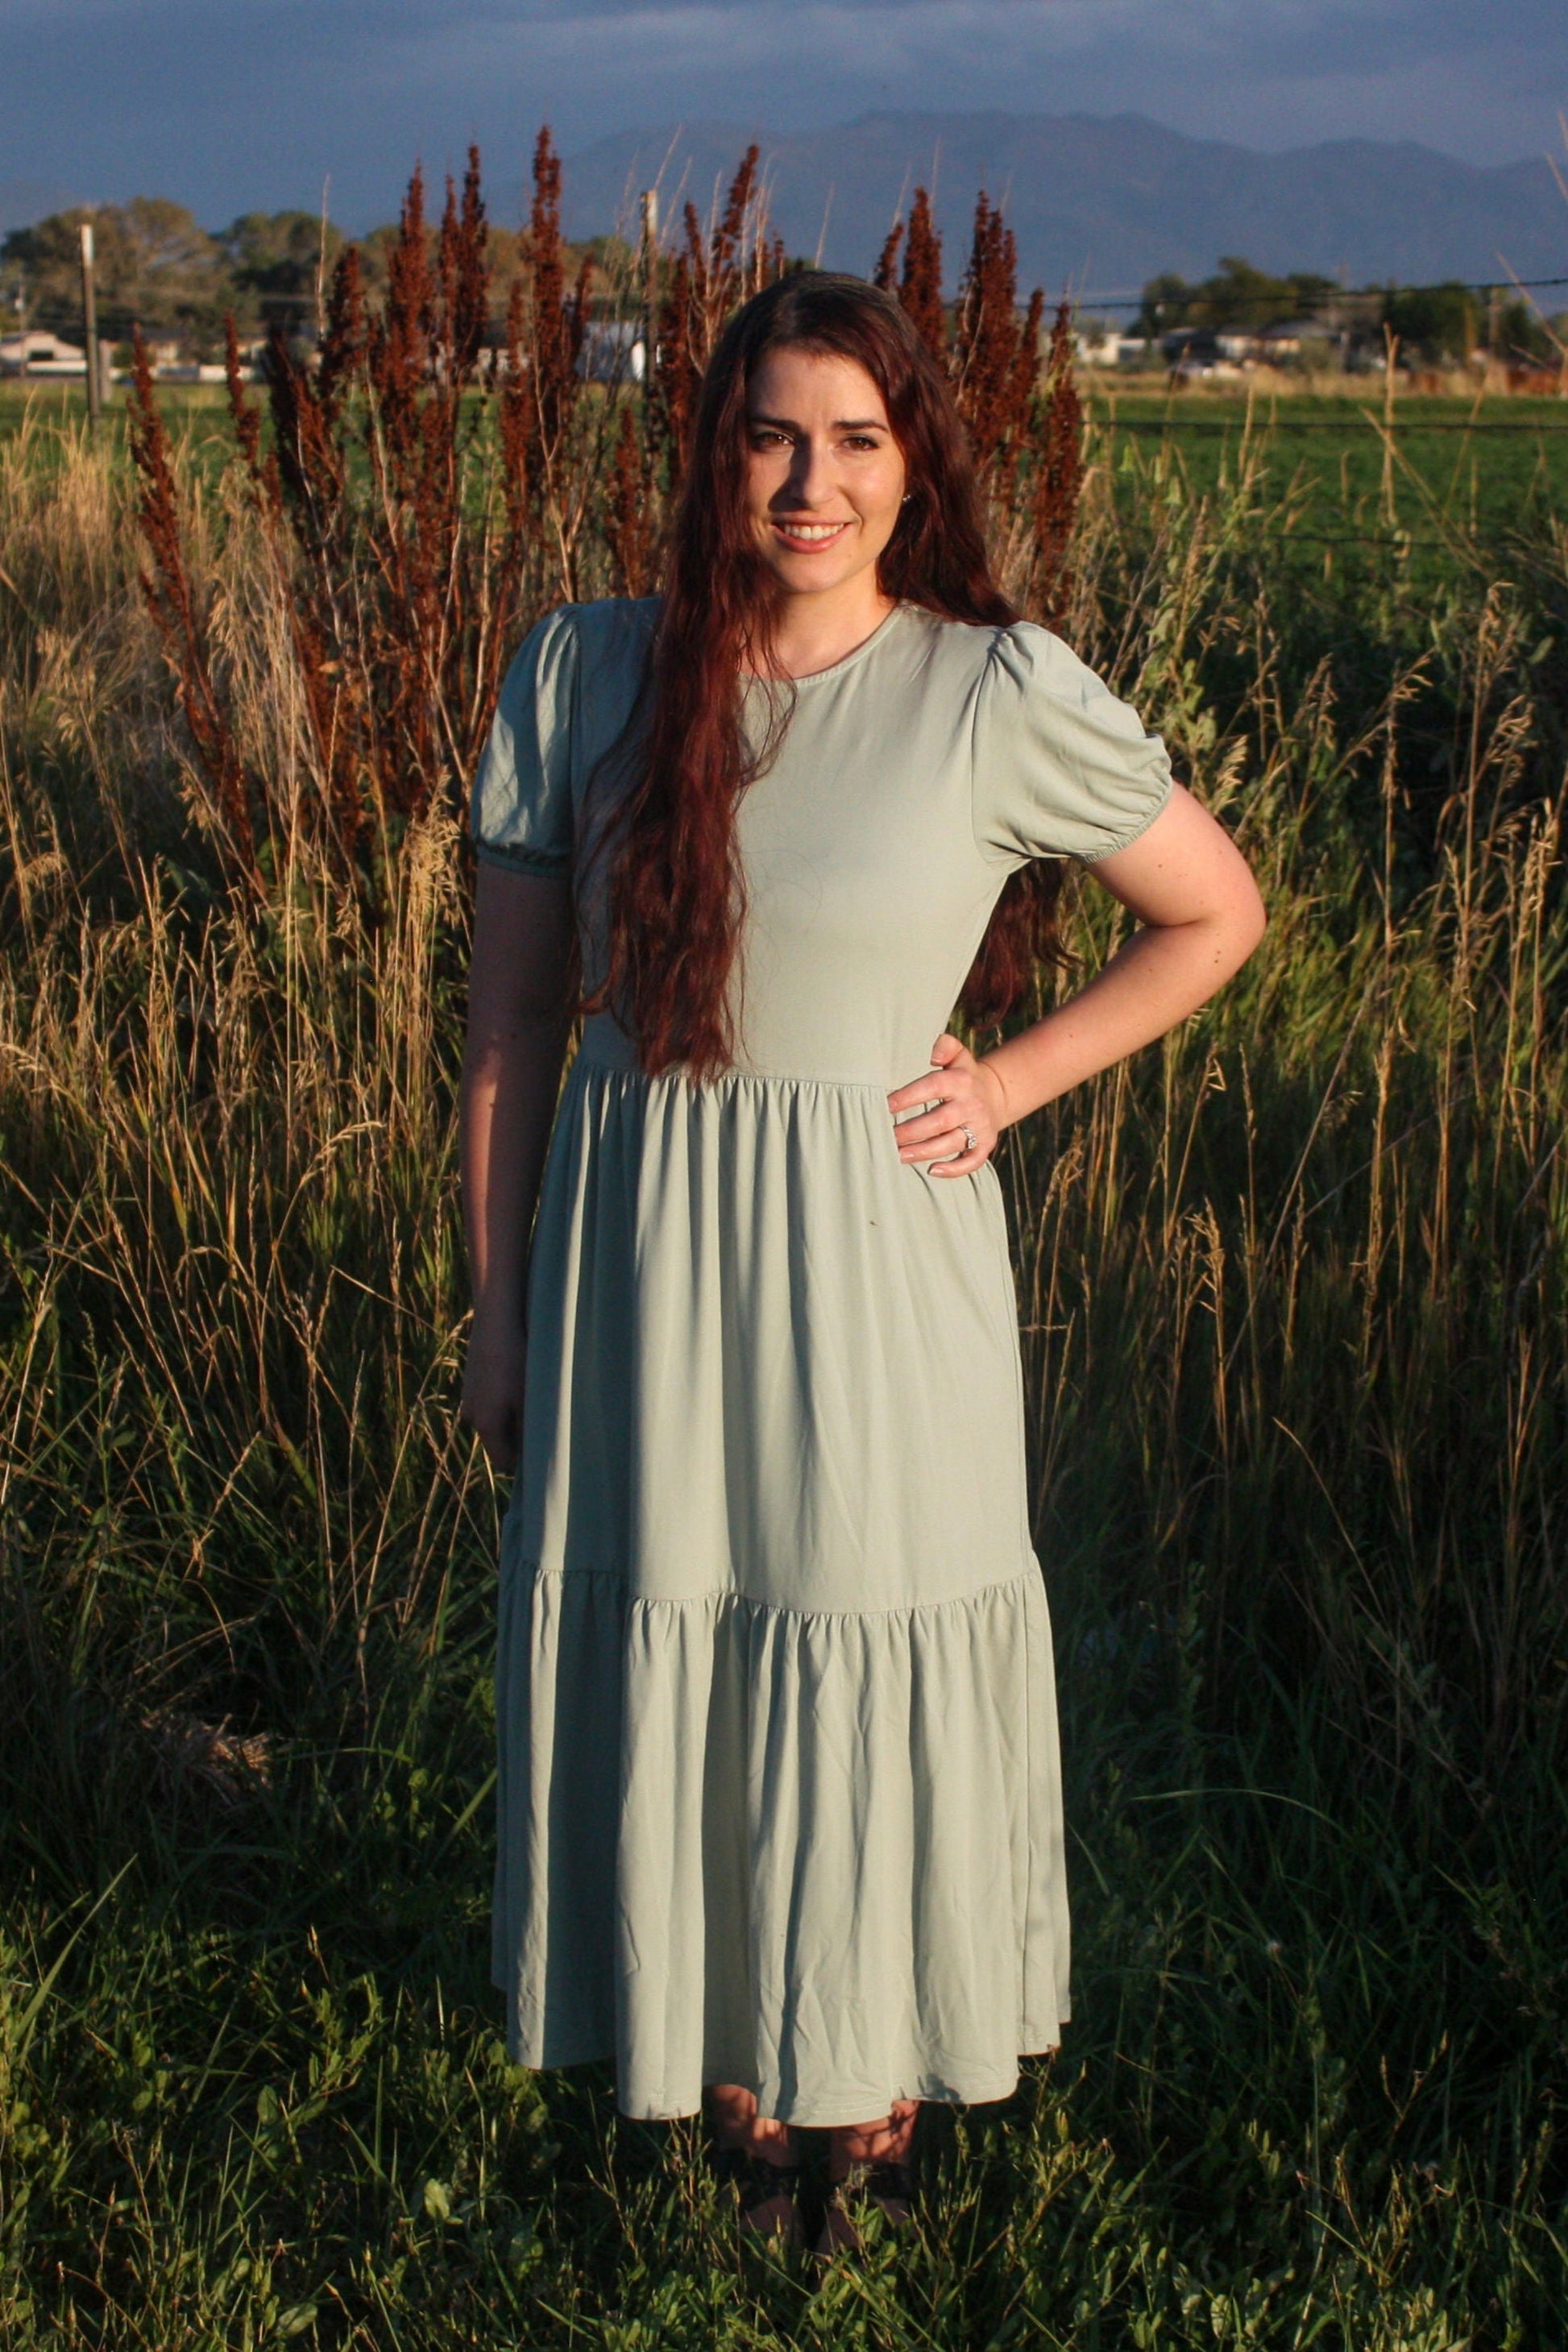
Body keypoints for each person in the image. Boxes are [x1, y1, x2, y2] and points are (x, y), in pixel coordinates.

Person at [460, 272, 1264, 2257]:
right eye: (765, 433)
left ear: (913, 467)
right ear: (709, 447)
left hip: (875, 1271)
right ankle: (736, 2068)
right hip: (642, 1254)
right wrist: (497, 1297)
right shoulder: (580, 675)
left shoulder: (992, 689)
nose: (805, 480)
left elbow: (1215, 909)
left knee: (858, 1620)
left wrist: (1007, 1082)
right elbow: (512, 1028)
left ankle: (873, 2079)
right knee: (695, 1616)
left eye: (854, 439)